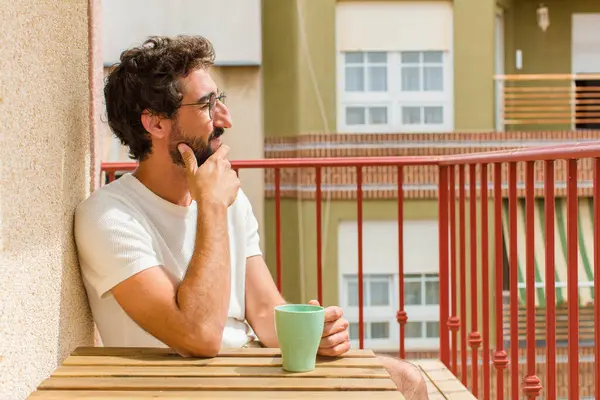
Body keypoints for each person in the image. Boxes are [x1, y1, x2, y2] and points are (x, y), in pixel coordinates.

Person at [74, 35, 428, 399]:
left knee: (406, 380)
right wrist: (210, 207)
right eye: (207, 105)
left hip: (248, 373)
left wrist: (315, 331)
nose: (225, 117)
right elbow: (198, 336)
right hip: (181, 388)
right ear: (156, 124)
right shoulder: (108, 217)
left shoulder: (230, 198)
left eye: (220, 101)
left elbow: (264, 312)